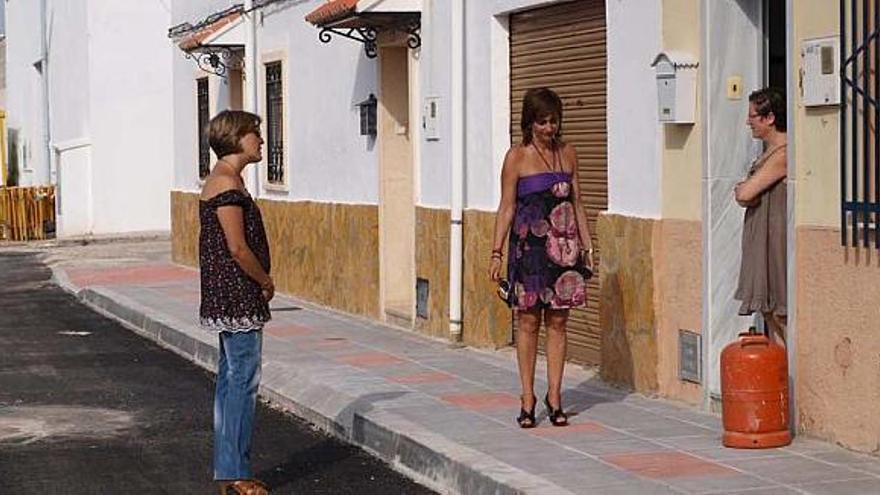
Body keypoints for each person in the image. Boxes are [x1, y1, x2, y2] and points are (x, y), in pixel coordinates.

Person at [489, 87, 595, 428]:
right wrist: (496, 251)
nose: (550, 128)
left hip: (564, 249)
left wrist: (587, 246)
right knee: (529, 321)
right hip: (529, 250)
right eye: (543, 122)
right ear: (530, 123)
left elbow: (577, 202)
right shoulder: (516, 157)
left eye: (554, 121)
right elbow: (506, 207)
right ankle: (527, 396)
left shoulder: (569, 153)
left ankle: (555, 395)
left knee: (559, 322)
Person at [199, 110, 273, 495]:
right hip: (236, 296)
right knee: (242, 381)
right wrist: (264, 280)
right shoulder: (226, 183)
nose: (260, 139)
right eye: (254, 133)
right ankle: (236, 473)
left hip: (229, 296)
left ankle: (230, 469)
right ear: (236, 138)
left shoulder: (226, 179)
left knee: (231, 382)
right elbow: (237, 247)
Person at [734, 87, 787, 345]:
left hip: (774, 243)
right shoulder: (767, 153)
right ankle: (778, 374)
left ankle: (788, 378)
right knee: (768, 312)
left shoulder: (783, 153)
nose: (748, 122)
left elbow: (745, 193)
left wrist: (745, 189)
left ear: (769, 118)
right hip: (761, 240)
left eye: (753, 116)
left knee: (780, 312)